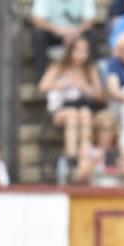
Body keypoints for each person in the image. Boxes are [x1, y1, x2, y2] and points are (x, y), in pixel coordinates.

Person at [40, 35, 103, 170]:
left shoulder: (89, 69)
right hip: (60, 109)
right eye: (78, 50)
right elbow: (43, 86)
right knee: (72, 114)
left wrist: (85, 87)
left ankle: (84, 154)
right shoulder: (59, 67)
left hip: (82, 106)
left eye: (85, 51)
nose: (82, 55)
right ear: (70, 51)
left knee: (85, 113)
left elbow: (99, 95)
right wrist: (63, 85)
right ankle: (71, 156)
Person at [30, 0, 97, 81]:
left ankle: (91, 78)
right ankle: (42, 78)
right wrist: (58, 30)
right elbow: (37, 19)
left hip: (77, 33)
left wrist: (76, 31)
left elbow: (90, 20)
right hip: (53, 33)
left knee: (92, 34)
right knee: (39, 34)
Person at [74, 109, 124, 184]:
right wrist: (94, 162)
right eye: (103, 129)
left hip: (116, 189)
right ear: (96, 131)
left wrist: (121, 164)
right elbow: (79, 176)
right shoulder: (87, 147)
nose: (107, 133)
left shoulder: (120, 147)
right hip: (94, 190)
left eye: (110, 129)